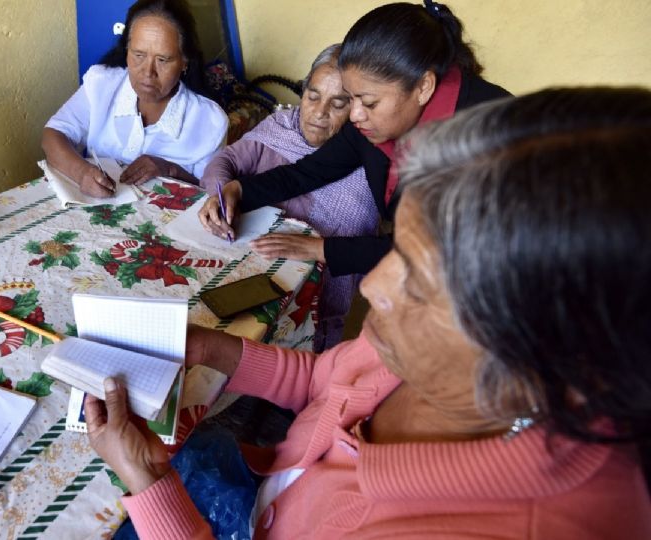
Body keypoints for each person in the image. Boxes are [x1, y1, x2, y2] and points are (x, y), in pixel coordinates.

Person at [84, 86, 651, 538]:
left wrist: (150, 481)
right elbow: (324, 380)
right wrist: (207, 346)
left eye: (423, 286)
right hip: (271, 490)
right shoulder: (417, 352)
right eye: (396, 248)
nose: (374, 286)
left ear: (562, 367)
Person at [199, 1, 509, 278]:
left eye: (369, 103)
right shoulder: (376, 119)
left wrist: (320, 249)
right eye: (351, 99)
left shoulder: (491, 140)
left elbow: (438, 252)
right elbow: (310, 171)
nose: (355, 115)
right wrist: (238, 190)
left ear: (424, 87)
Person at [201, 44, 377, 351]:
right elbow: (224, 161)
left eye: (338, 104)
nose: (319, 113)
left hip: (307, 295)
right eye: (312, 96)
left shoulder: (367, 167)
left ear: (357, 109)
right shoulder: (281, 126)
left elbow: (359, 246)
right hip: (243, 267)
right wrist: (219, 194)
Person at [42, 0, 228, 198]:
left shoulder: (210, 121)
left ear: (185, 62)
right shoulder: (102, 83)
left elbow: (212, 193)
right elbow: (53, 134)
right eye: (138, 55)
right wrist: (81, 173)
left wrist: (169, 169)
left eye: (163, 60)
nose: (148, 72)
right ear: (127, 50)